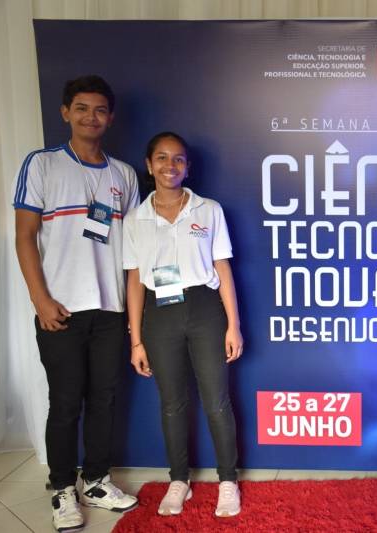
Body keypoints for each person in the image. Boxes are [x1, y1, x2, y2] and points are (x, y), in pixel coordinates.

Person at [13, 75, 139, 532]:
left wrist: (133, 313)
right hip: (60, 309)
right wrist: (41, 300)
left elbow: (134, 250)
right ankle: (63, 486)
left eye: (100, 110)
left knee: (104, 398)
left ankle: (97, 481)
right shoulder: (42, 164)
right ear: (65, 112)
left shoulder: (124, 174)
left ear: (111, 117)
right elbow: (25, 236)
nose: (91, 117)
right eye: (82, 108)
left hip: (110, 309)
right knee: (66, 401)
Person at [123, 131, 243, 517]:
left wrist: (233, 325)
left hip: (205, 308)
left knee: (216, 400)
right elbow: (134, 279)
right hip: (159, 312)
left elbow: (222, 267)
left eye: (178, 159)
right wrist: (136, 340)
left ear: (188, 167)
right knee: (172, 402)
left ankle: (228, 481)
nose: (170, 166)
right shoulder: (135, 219)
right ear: (149, 165)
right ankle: (179, 480)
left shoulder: (209, 210)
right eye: (161, 158)